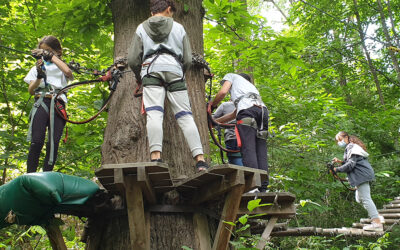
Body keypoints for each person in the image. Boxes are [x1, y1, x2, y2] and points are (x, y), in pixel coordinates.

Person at [127, 0, 208, 171]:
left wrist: (139, 76)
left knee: (154, 114)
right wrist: (179, 71)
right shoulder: (179, 28)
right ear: (169, 9)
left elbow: (133, 59)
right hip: (174, 70)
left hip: (150, 70)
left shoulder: (141, 27)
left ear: (153, 12)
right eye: (172, 12)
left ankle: (156, 157)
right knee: (185, 116)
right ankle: (200, 159)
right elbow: (186, 59)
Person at [209, 73, 269, 191]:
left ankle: (253, 186)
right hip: (262, 111)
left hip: (248, 111)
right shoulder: (249, 89)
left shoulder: (231, 76)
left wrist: (212, 105)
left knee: (248, 148)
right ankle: (263, 187)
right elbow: (234, 114)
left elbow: (222, 93)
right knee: (260, 149)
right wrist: (213, 122)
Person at [24, 35, 73, 173]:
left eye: (47, 50)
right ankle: (30, 175)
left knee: (53, 142)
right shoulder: (38, 67)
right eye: (42, 51)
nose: (44, 53)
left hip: (58, 103)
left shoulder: (62, 67)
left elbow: (68, 72)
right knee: (37, 141)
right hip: (41, 101)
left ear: (57, 51)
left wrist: (51, 57)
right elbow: (31, 91)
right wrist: (39, 77)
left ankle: (47, 174)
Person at [333, 131, 384, 232]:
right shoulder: (350, 148)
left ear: (346, 137)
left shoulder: (352, 147)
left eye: (340, 140)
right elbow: (351, 161)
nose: (339, 142)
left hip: (361, 175)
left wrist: (337, 169)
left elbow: (351, 164)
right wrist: (340, 162)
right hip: (361, 175)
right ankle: (378, 216)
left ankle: (377, 223)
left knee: (365, 199)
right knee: (359, 199)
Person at [212, 101, 243, 165]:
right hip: (250, 138)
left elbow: (212, 121)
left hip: (233, 137)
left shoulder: (225, 105)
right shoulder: (250, 105)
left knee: (236, 164)